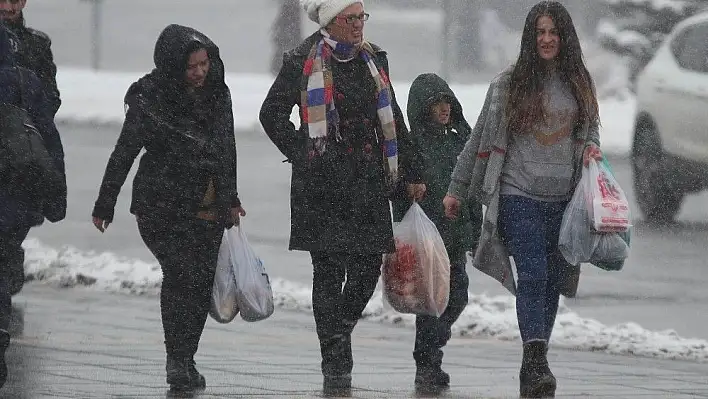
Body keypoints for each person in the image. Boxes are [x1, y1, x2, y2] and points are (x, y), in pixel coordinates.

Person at [259, 0, 422, 395]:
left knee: (366, 271)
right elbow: (271, 114)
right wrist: (303, 152)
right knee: (329, 272)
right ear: (331, 20)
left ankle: (337, 331)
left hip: (367, 182)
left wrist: (412, 170)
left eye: (361, 17)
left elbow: (393, 115)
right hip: (322, 186)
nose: (358, 25)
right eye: (351, 18)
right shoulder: (303, 58)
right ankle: (335, 357)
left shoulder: (373, 59)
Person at [443, 2, 603, 397]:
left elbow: (591, 131)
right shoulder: (509, 84)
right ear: (530, 38)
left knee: (551, 283)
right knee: (531, 276)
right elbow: (478, 139)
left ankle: (535, 358)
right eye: (540, 32)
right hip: (518, 196)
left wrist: (591, 148)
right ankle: (536, 359)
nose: (547, 39)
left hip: (564, 201)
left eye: (553, 32)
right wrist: (455, 189)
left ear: (565, 37)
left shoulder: (580, 83)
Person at [91, 24, 245, 393]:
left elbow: (226, 148)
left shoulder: (217, 93)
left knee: (199, 281)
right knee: (181, 276)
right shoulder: (150, 95)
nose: (200, 72)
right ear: (173, 66)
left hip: (206, 204)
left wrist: (231, 199)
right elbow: (125, 150)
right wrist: (105, 201)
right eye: (191, 66)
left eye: (204, 63)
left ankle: (185, 356)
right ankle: (176, 359)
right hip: (160, 204)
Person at [392, 73, 482, 393]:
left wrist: (476, 231)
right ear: (422, 108)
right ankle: (428, 362)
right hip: (428, 241)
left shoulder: (460, 141)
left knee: (457, 294)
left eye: (447, 102)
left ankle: (430, 351)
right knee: (431, 302)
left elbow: (472, 191)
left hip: (454, 236)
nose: (444, 109)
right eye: (436, 104)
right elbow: (400, 191)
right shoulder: (413, 147)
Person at [0, 24, 65, 388]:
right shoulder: (26, 80)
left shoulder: (35, 51)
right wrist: (56, 197)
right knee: (4, 264)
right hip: (13, 196)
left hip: (11, 196)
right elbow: (48, 138)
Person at [0, 0, 61, 117]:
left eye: (14, 1)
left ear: (23, 3)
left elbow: (50, 97)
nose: (7, 8)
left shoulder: (37, 44)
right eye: (2, 1)